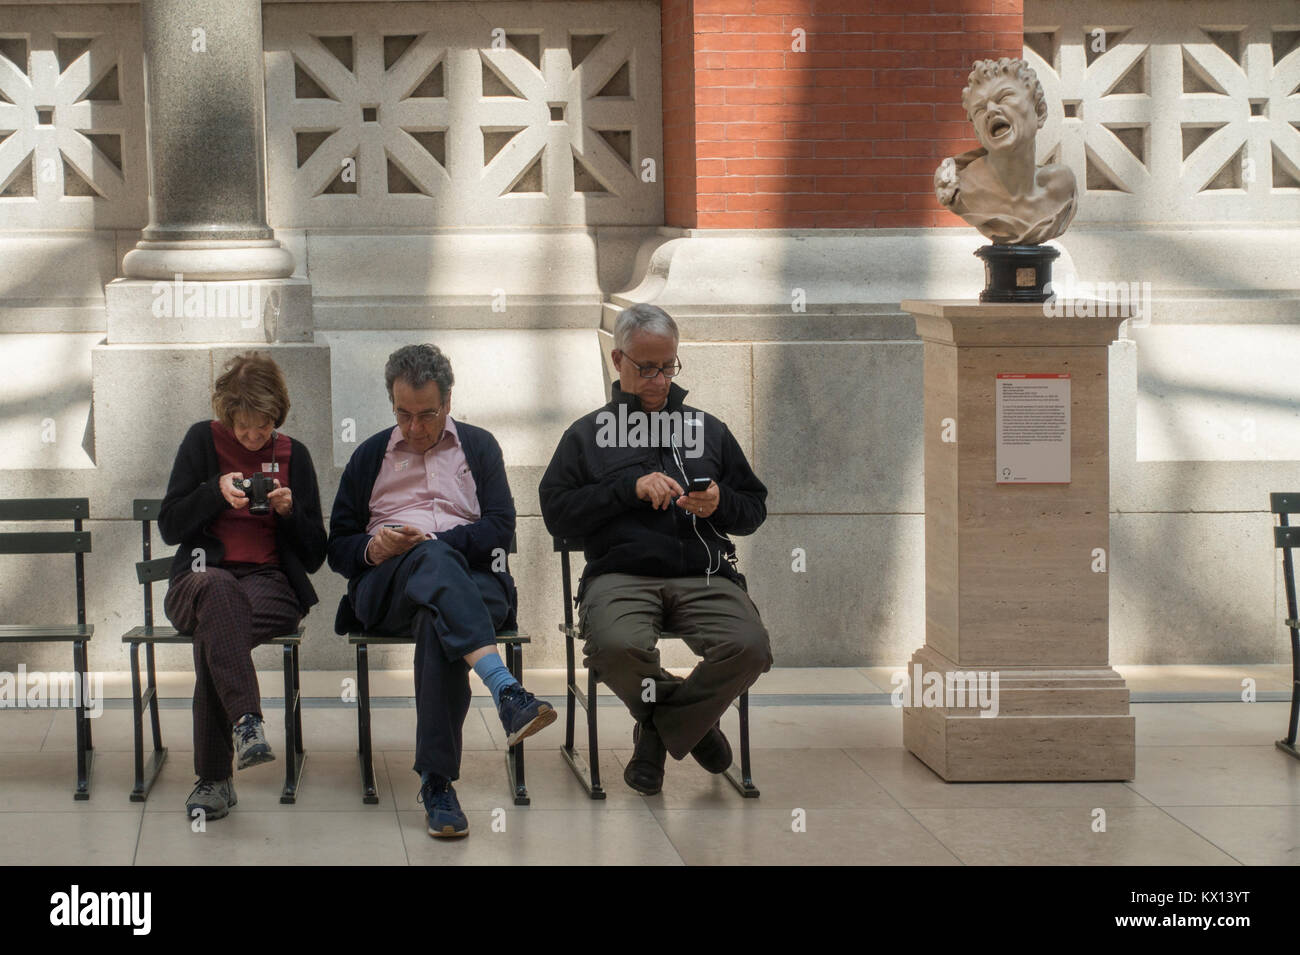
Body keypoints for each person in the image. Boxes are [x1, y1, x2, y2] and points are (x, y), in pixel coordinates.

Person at [539, 303, 773, 795]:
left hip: (705, 574)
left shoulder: (707, 430)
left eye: (669, 366)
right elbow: (556, 513)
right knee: (616, 647)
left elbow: (753, 509)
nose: (660, 380)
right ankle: (696, 726)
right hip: (620, 575)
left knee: (750, 648)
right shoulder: (586, 436)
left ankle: (655, 731)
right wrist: (628, 489)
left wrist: (719, 502)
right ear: (617, 359)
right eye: (646, 368)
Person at [328, 344, 555, 838]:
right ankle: (505, 689)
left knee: (438, 608)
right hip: (387, 587)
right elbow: (338, 548)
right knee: (427, 563)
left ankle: (437, 785)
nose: (414, 427)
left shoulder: (479, 447)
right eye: (403, 414)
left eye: (426, 414)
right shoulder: (370, 455)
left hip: (474, 583)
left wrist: (438, 544)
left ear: (447, 402)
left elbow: (500, 526)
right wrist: (378, 547)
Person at [159, 351, 327, 821]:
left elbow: (316, 555)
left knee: (221, 625)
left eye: (265, 425)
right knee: (218, 594)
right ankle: (247, 723)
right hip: (197, 577)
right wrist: (214, 491)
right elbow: (170, 525)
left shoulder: (295, 455)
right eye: (245, 426)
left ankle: (214, 779)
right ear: (227, 414)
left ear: (279, 416)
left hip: (270, 584)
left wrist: (291, 513)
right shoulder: (201, 441)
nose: (255, 436)